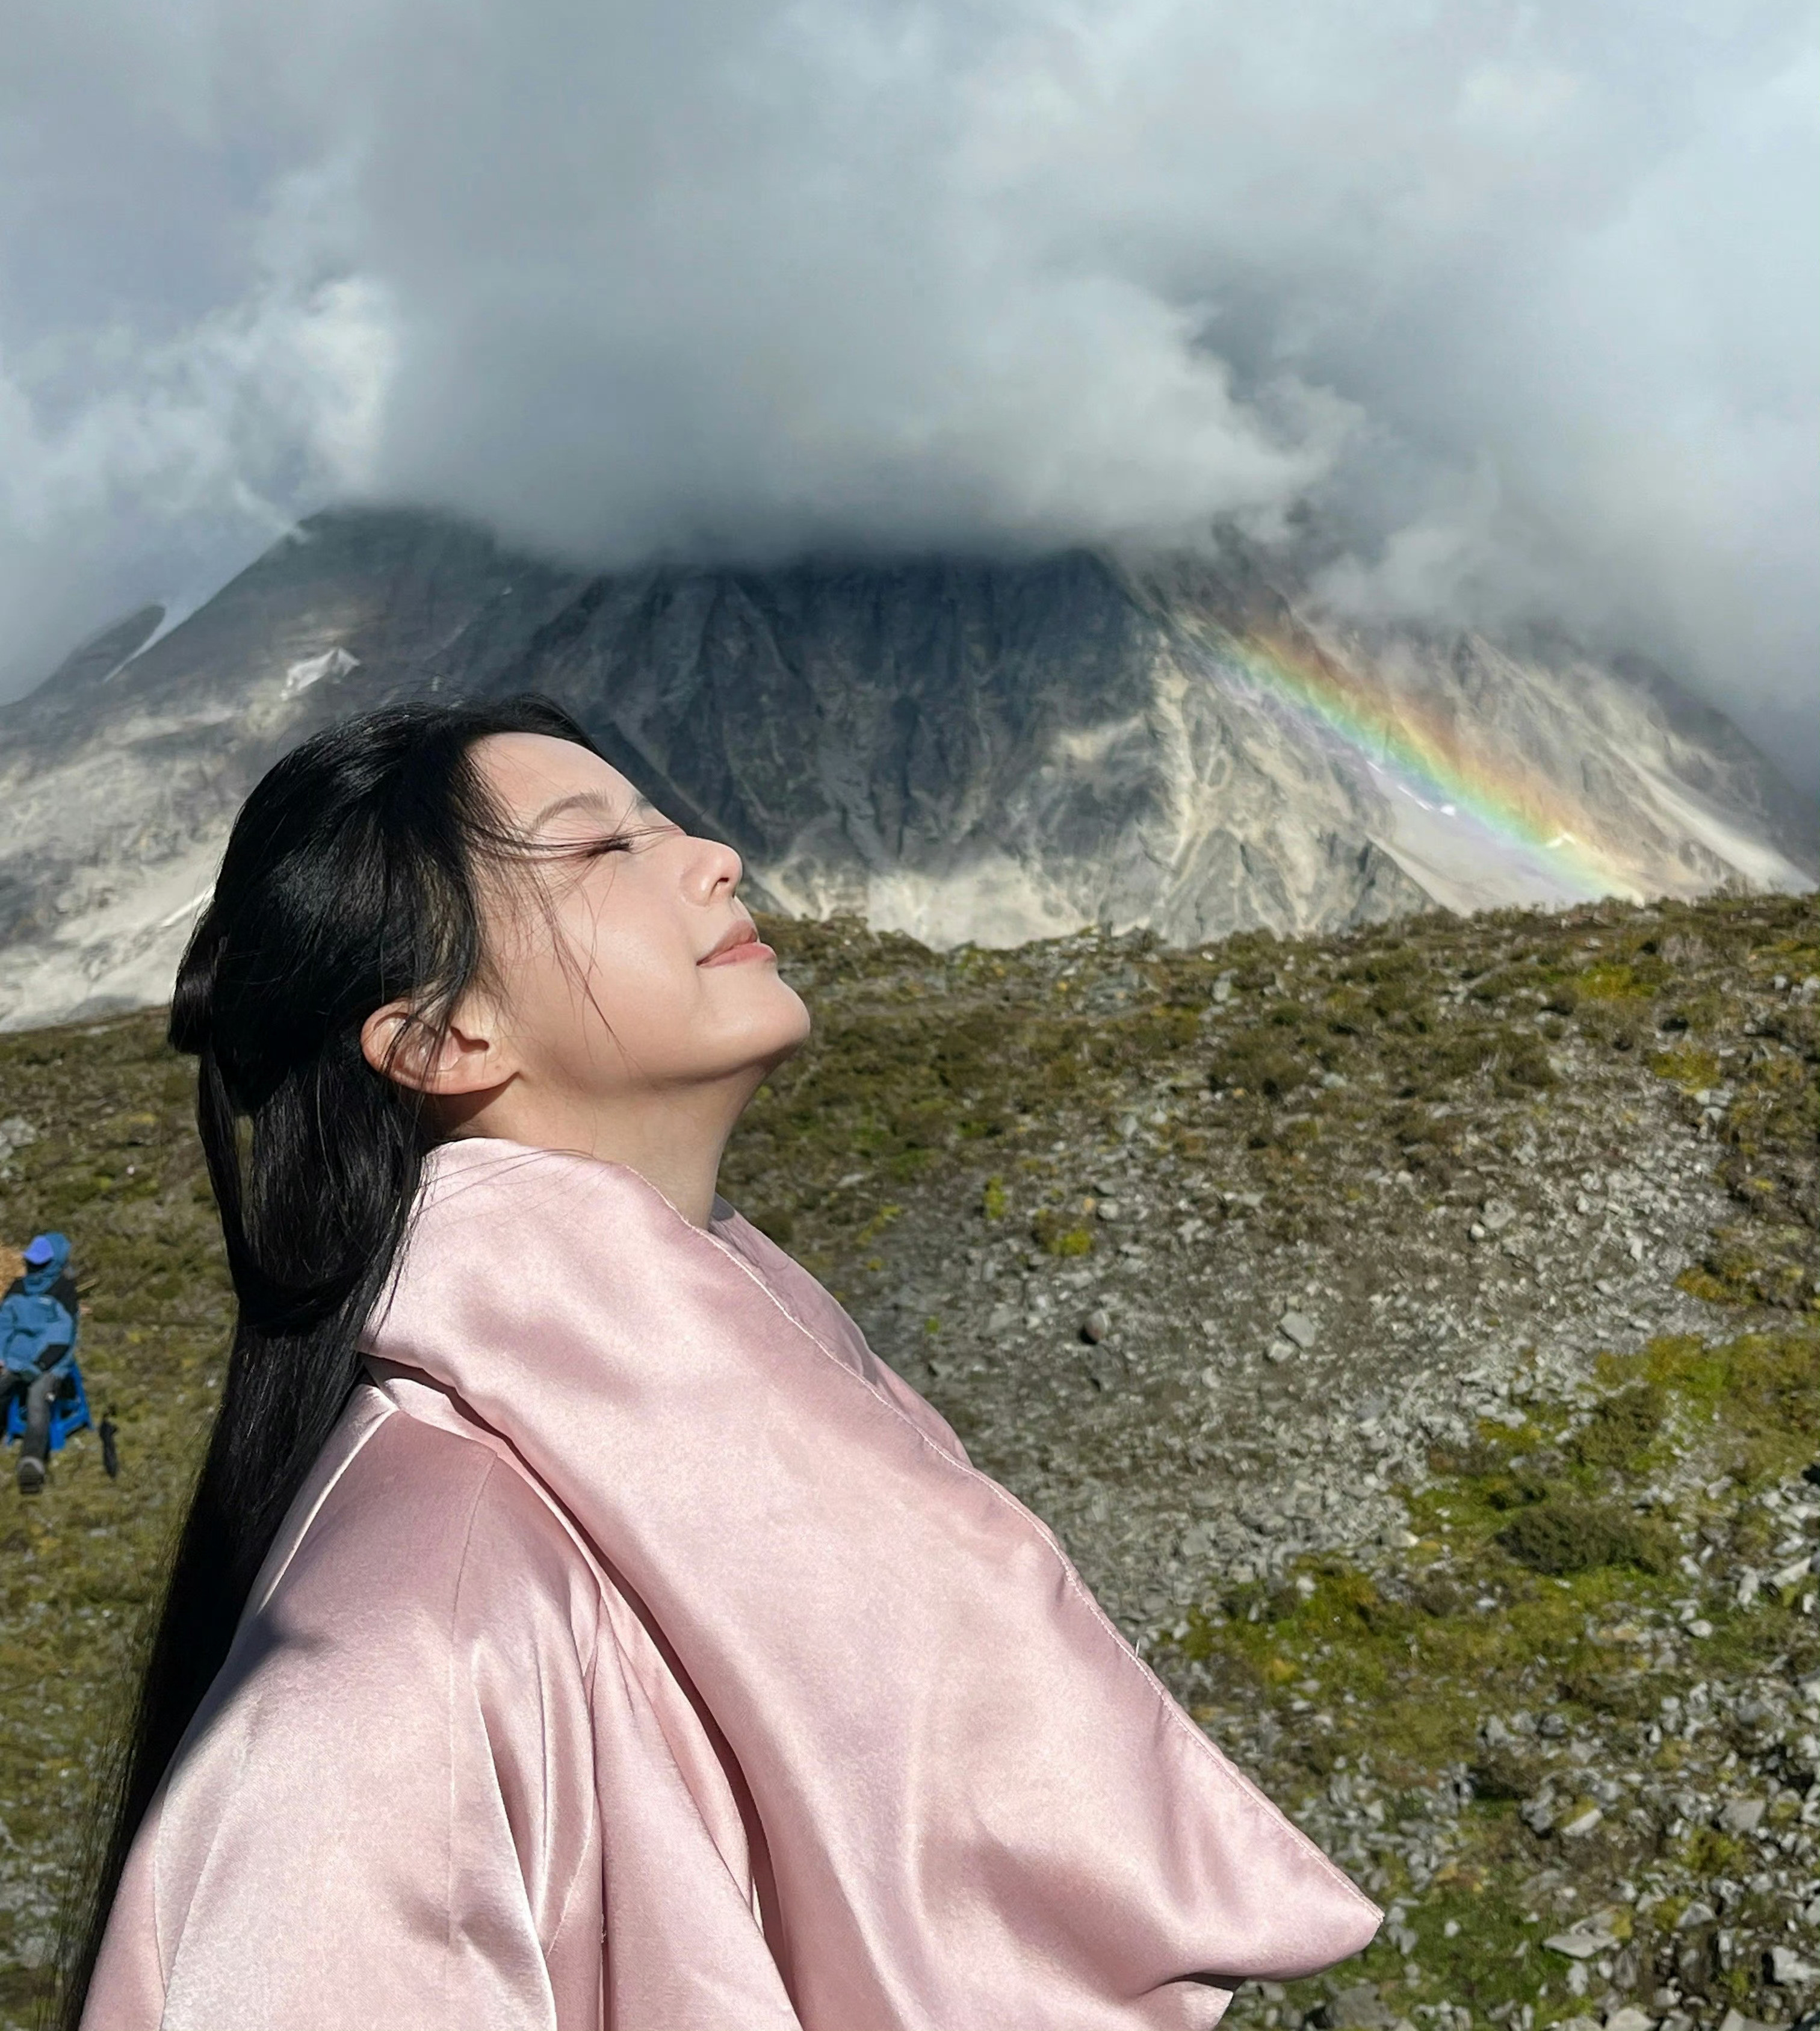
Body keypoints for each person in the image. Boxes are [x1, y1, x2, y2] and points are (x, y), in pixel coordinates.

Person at [69, 697, 1378, 2030]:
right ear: (441, 1039)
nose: (712, 855)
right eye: (600, 851)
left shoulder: (767, 1408)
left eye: (665, 820)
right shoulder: (405, 1638)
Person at [0, 1231, 79, 1493]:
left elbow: (61, 1337)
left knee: (37, 1401)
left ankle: (31, 1461)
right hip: (16, 1357)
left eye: (41, 1262)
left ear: (54, 1262)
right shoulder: (18, 1288)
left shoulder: (64, 1290)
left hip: (50, 1362)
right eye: (32, 1261)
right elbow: (4, 1324)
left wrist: (42, 1365)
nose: (34, 1267)